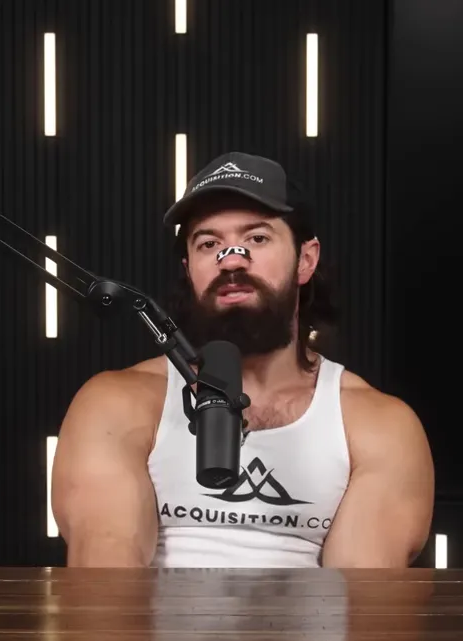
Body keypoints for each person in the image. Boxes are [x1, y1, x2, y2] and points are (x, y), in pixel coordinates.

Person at [51, 151, 434, 568]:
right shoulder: (116, 403)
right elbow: (106, 594)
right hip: (152, 634)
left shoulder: (379, 425)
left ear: (306, 260)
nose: (231, 259)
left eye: (257, 238)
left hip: (310, 633)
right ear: (190, 268)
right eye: (209, 243)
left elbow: (358, 610)